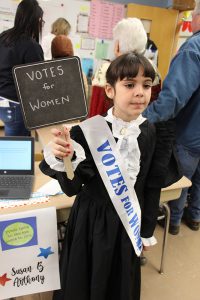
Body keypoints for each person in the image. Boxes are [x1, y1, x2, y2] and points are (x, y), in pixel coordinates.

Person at [39, 52, 181, 300]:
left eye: (146, 85)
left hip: (126, 227)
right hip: (90, 222)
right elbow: (72, 188)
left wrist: (147, 229)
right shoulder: (89, 130)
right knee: (83, 281)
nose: (140, 92)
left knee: (118, 283)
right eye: (129, 84)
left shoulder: (153, 132)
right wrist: (65, 158)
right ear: (109, 90)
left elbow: (151, 186)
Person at [143, 0, 200, 235]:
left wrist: (142, 117)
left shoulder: (193, 49)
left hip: (188, 134)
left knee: (181, 178)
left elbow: (172, 100)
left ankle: (173, 221)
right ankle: (195, 216)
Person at [0, 0, 44, 136]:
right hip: (16, 104)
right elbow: (38, 81)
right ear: (36, 20)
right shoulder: (31, 46)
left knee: (13, 143)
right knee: (18, 149)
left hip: (2, 99)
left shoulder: (3, 37)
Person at [89, 18, 147, 118]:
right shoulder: (151, 70)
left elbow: (96, 113)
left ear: (118, 45)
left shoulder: (106, 70)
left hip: (109, 130)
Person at [51, 34, 88, 100]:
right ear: (71, 51)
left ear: (53, 51)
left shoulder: (44, 73)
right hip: (75, 109)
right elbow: (84, 99)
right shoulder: (79, 74)